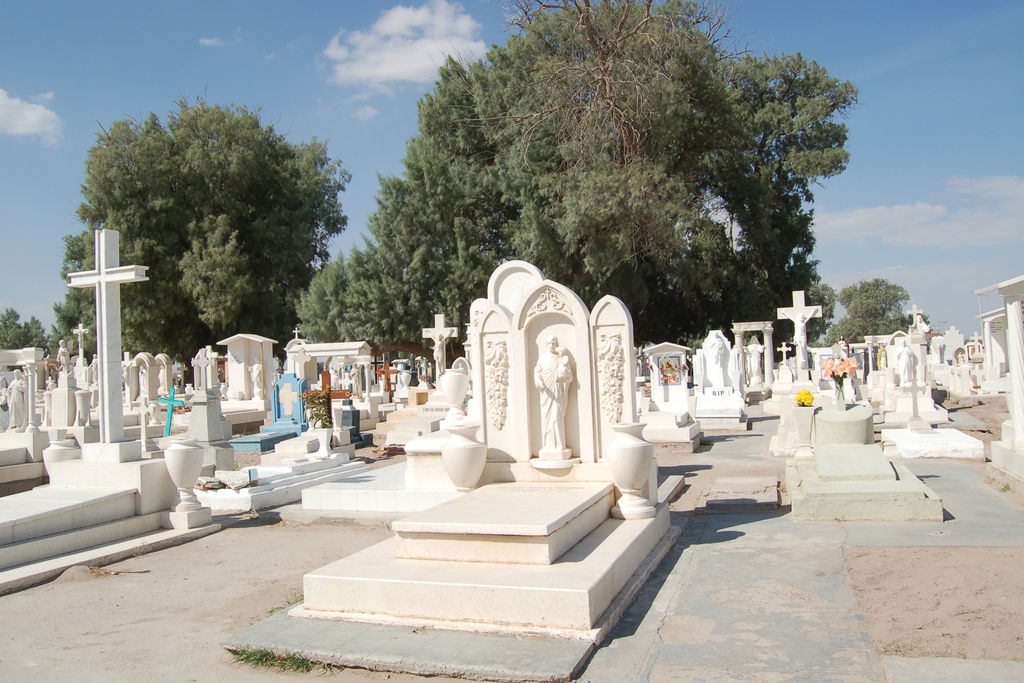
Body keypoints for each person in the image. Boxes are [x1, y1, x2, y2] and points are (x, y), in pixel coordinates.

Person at [533, 336, 573, 454]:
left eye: (554, 343)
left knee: (557, 417)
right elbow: (537, 372)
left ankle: (560, 444)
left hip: (557, 392)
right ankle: (548, 444)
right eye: (550, 343)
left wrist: (564, 371)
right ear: (547, 345)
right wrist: (539, 382)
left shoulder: (560, 359)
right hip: (547, 393)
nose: (552, 345)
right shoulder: (542, 359)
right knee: (547, 418)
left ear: (556, 344)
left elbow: (569, 376)